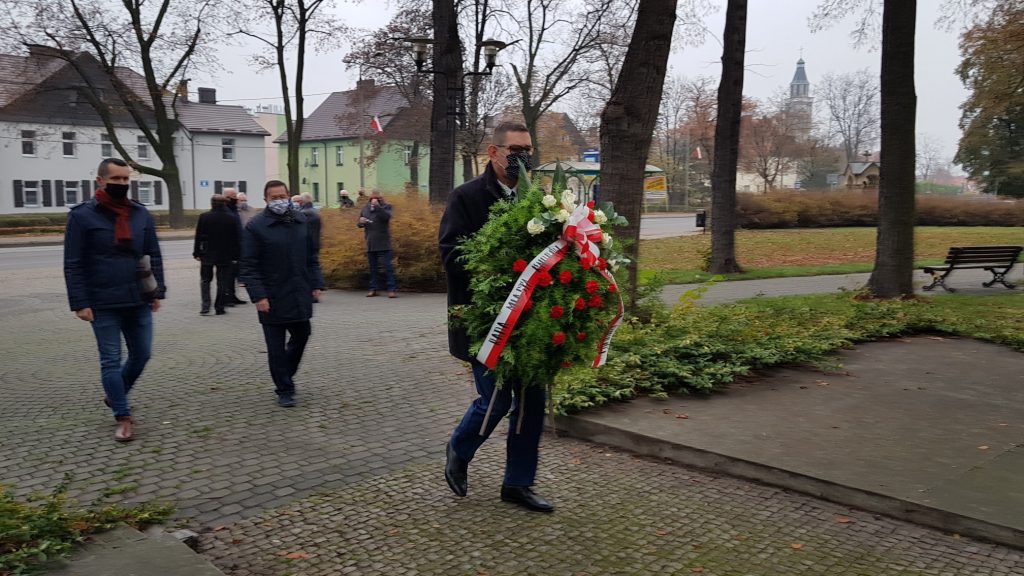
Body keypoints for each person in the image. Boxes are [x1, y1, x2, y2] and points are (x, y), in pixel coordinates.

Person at [438, 121, 552, 512]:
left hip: (531, 322)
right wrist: (500, 265)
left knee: (531, 405)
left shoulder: (539, 200)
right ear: (493, 152)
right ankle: (459, 447)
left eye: (528, 150)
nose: (523, 157)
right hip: (483, 322)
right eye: (515, 150)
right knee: (497, 399)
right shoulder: (466, 197)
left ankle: (518, 483)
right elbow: (451, 254)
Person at [64, 157, 165, 442]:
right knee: (110, 360)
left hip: (137, 298)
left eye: (125, 179)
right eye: (116, 179)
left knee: (142, 354)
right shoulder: (82, 216)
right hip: (102, 301)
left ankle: (115, 393)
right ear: (100, 181)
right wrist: (80, 302)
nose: (122, 183)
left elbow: (152, 255)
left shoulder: (140, 214)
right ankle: (123, 415)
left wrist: (156, 292)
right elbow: (73, 263)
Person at [240, 180, 325, 408]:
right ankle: (285, 389)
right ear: (266, 200)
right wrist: (258, 296)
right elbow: (248, 265)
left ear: (289, 196)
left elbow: (311, 256)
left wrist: (316, 283)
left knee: (303, 334)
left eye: (282, 196)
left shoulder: (301, 221)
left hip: (298, 291)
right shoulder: (256, 226)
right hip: (271, 295)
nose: (279, 200)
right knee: (276, 348)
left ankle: (285, 372)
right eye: (274, 197)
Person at [193, 194, 240, 315]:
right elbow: (236, 238)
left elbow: (198, 236)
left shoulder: (204, 217)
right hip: (225, 254)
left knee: (205, 280)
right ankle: (219, 307)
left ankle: (205, 306)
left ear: (211, 203)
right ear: (224, 204)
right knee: (222, 281)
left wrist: (196, 252)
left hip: (207, 253)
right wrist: (236, 255)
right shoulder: (231, 218)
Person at [357, 191, 397, 298]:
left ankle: (391, 289)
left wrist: (378, 207)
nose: (374, 200)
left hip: (383, 242)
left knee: (387, 267)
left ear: (380, 198)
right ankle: (374, 288)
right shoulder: (365, 208)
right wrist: (361, 222)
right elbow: (359, 223)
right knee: (373, 268)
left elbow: (386, 217)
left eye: (376, 198)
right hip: (370, 241)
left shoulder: (387, 207)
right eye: (372, 199)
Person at [222, 187, 247, 306]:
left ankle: (232, 295)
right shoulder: (225, 211)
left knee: (234, 273)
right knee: (228, 275)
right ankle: (226, 297)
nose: (236, 199)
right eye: (233, 197)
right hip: (228, 248)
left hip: (237, 246)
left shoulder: (233, 209)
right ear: (227, 198)